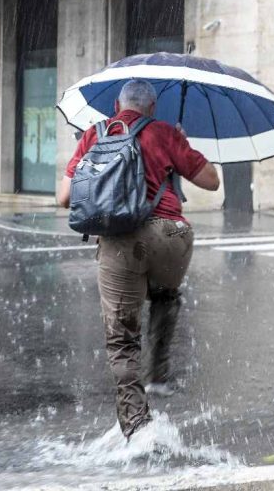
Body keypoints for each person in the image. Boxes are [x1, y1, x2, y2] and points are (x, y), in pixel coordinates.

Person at [57, 79, 220, 440]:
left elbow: (64, 197)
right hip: (171, 235)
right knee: (164, 292)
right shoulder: (164, 133)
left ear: (117, 105)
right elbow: (212, 181)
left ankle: (136, 426)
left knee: (121, 337)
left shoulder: (94, 135)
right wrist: (179, 145)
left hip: (120, 241)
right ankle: (158, 374)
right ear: (152, 108)